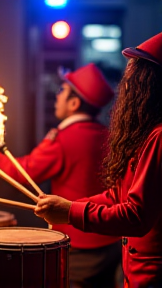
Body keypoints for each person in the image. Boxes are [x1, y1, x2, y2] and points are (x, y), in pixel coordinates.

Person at [34, 32, 162, 288]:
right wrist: (69, 206)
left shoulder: (159, 136)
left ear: (149, 83)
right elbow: (118, 196)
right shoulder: (146, 132)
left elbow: (137, 214)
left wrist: (70, 211)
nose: (125, 84)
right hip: (119, 256)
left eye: (133, 75)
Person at [0, 63, 121, 288]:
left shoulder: (63, 139)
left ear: (74, 103)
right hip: (111, 239)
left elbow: (22, 173)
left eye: (62, 90)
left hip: (79, 242)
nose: (57, 95)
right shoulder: (108, 135)